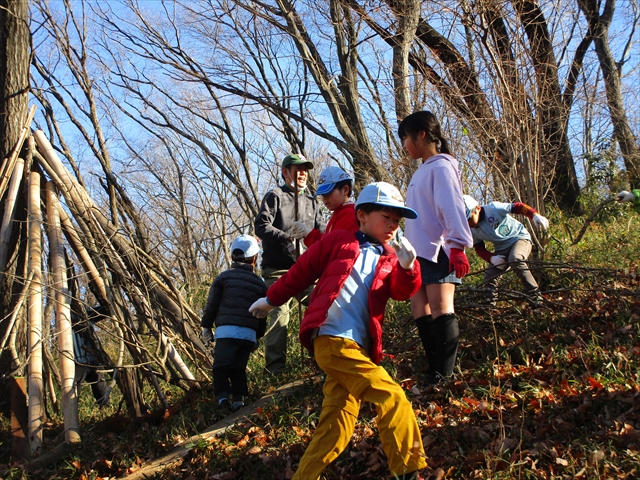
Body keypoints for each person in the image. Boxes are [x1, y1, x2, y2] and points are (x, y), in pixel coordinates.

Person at [249, 182, 427, 480]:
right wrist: (270, 299)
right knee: (392, 396)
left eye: (398, 220)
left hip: (357, 348)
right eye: (387, 218)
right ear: (362, 215)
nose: (393, 225)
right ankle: (408, 469)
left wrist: (409, 268)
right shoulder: (339, 241)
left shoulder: (390, 258)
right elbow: (302, 270)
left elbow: (400, 291)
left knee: (336, 426)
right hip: (332, 338)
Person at [399, 110, 473, 386]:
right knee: (420, 311)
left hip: (438, 249)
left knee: (442, 309)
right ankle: (434, 370)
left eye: (406, 136)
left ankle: (445, 373)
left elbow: (451, 207)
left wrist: (457, 246)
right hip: (416, 253)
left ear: (421, 134)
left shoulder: (442, 166)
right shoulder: (422, 170)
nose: (405, 143)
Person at [254, 153, 326, 375]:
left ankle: (323, 359)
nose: (303, 173)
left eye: (305, 169)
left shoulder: (312, 201)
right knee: (279, 314)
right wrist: (285, 236)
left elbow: (323, 232)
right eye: (297, 169)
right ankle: (276, 370)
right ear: (285, 172)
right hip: (278, 269)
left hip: (306, 268)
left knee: (322, 304)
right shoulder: (275, 196)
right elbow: (261, 226)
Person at [201, 234, 268, 411]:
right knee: (239, 368)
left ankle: (223, 399)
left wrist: (206, 326)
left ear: (231, 256)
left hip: (226, 332)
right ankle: (239, 400)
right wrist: (258, 335)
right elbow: (263, 311)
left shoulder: (223, 278)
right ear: (254, 259)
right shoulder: (260, 283)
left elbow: (212, 304)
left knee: (221, 367)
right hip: (248, 335)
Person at [463, 195, 549, 305]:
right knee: (489, 277)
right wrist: (492, 258)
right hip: (501, 248)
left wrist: (534, 215)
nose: (468, 223)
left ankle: (536, 299)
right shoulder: (470, 230)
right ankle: (489, 308)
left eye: (469, 218)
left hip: (519, 238)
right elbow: (479, 247)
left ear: (478, 209)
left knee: (515, 258)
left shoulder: (493, 208)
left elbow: (518, 207)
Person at [288, 165, 359, 247]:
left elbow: (331, 247)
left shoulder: (349, 214)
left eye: (328, 193)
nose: (324, 198)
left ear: (345, 190)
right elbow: (328, 242)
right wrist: (307, 234)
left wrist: (308, 234)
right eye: (322, 195)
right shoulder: (338, 214)